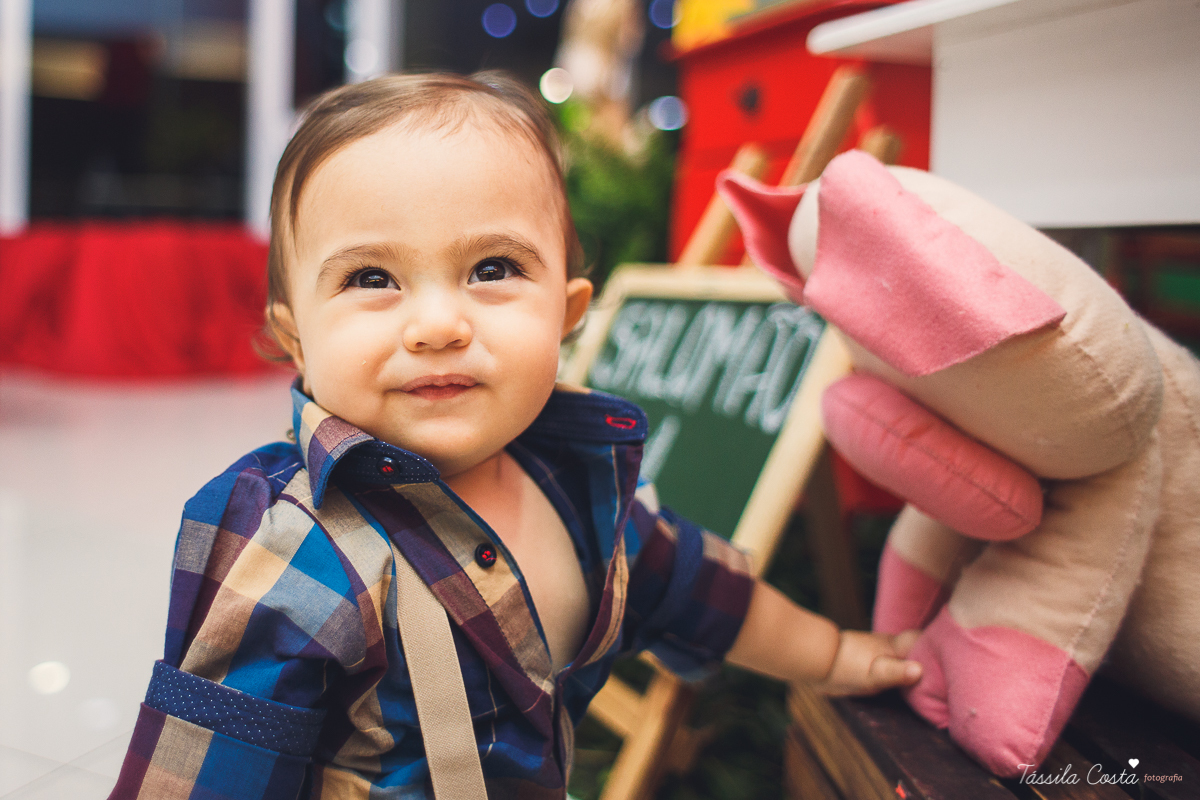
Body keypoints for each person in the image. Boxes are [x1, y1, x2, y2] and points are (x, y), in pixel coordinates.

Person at [108, 71, 921, 800]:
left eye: (492, 268)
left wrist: (839, 657)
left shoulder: (585, 495)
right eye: (370, 277)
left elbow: (706, 594)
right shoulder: (297, 544)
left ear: (566, 316)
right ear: (297, 340)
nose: (436, 324)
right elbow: (208, 770)